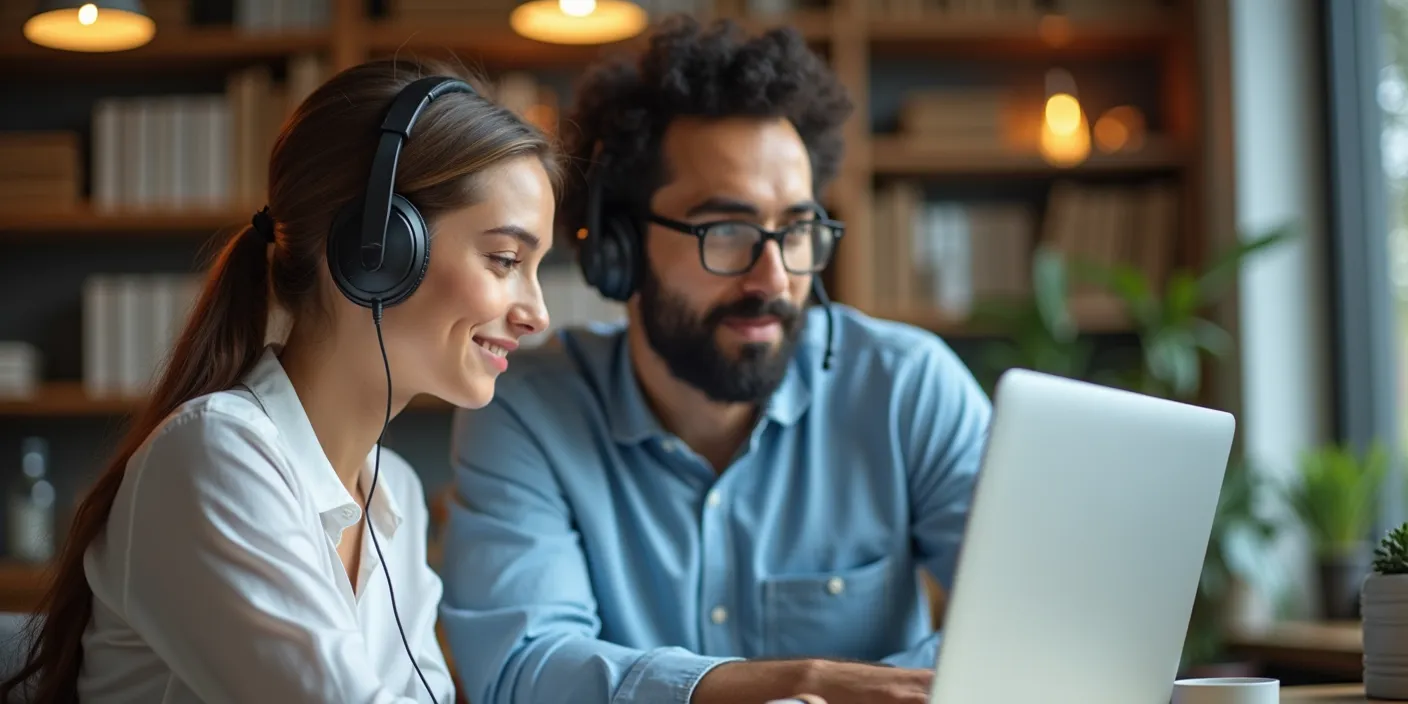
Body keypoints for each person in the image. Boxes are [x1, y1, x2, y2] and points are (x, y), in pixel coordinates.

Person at [438, 14, 992, 704]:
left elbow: (1027, 607)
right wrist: (802, 683)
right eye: (725, 231)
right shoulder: (528, 409)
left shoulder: (906, 385)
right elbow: (525, 669)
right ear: (621, 247)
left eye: (795, 230)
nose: (773, 278)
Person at [0, 58, 561, 704]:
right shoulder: (215, 456)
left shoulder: (391, 492)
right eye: (505, 260)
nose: (537, 313)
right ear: (376, 252)